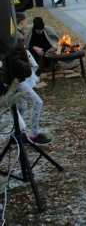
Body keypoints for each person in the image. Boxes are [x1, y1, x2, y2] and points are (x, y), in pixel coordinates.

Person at [0, 12, 51, 145]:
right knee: (37, 102)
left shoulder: (13, 36)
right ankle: (35, 134)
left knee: (22, 106)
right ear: (22, 22)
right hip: (15, 80)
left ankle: (17, 135)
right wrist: (28, 67)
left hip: (14, 78)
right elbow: (13, 60)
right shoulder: (14, 38)